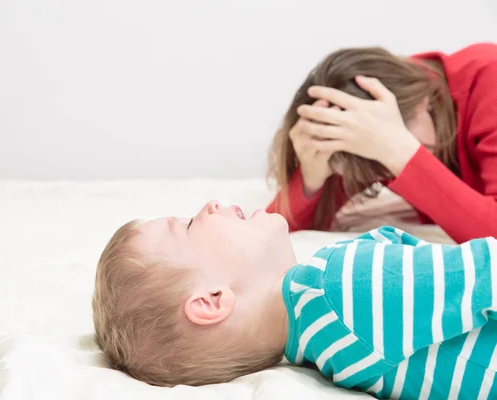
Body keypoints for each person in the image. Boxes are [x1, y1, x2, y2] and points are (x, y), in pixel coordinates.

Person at [92, 201, 497, 399]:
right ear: (212, 300)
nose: (210, 205)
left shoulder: (325, 343)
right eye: (192, 223)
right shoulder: (340, 285)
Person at [266, 43, 497, 244]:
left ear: (424, 99)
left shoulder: (489, 77)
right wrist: (311, 177)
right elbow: (269, 233)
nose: (387, 171)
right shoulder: (367, 129)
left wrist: (401, 152)